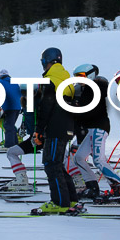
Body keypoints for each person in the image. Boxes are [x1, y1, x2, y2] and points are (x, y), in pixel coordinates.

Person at [69, 63, 120, 200]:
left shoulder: (95, 88)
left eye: (82, 76)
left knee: (98, 160)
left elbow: (89, 109)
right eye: (77, 77)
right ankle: (92, 187)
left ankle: (117, 188)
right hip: (91, 129)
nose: (79, 79)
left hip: (99, 128)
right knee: (79, 158)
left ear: (90, 75)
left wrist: (76, 108)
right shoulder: (85, 89)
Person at [32, 47, 78, 214]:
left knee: (50, 164)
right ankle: (71, 198)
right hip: (66, 128)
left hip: (55, 128)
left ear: (46, 61)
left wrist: (38, 130)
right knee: (57, 164)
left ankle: (60, 202)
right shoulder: (66, 79)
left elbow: (46, 107)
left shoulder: (51, 80)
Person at [0, 69, 22, 149]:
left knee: (8, 125)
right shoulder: (15, 83)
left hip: (9, 107)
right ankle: (15, 143)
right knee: (10, 125)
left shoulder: (0, 83)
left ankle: (9, 145)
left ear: (0, 76)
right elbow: (19, 94)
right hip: (17, 107)